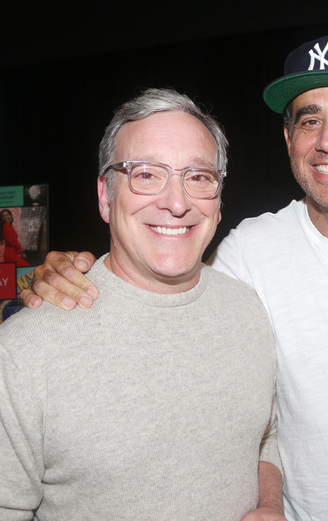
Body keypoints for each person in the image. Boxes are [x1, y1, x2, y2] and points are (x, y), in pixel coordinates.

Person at [20, 36, 328, 520]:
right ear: (289, 141)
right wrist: (73, 273)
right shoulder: (246, 252)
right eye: (308, 120)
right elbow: (157, 291)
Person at [0, 88, 285, 520]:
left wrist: (268, 504)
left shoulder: (248, 309)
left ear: (219, 198)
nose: (176, 202)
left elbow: (265, 434)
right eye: (147, 174)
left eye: (198, 176)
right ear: (105, 196)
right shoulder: (23, 352)